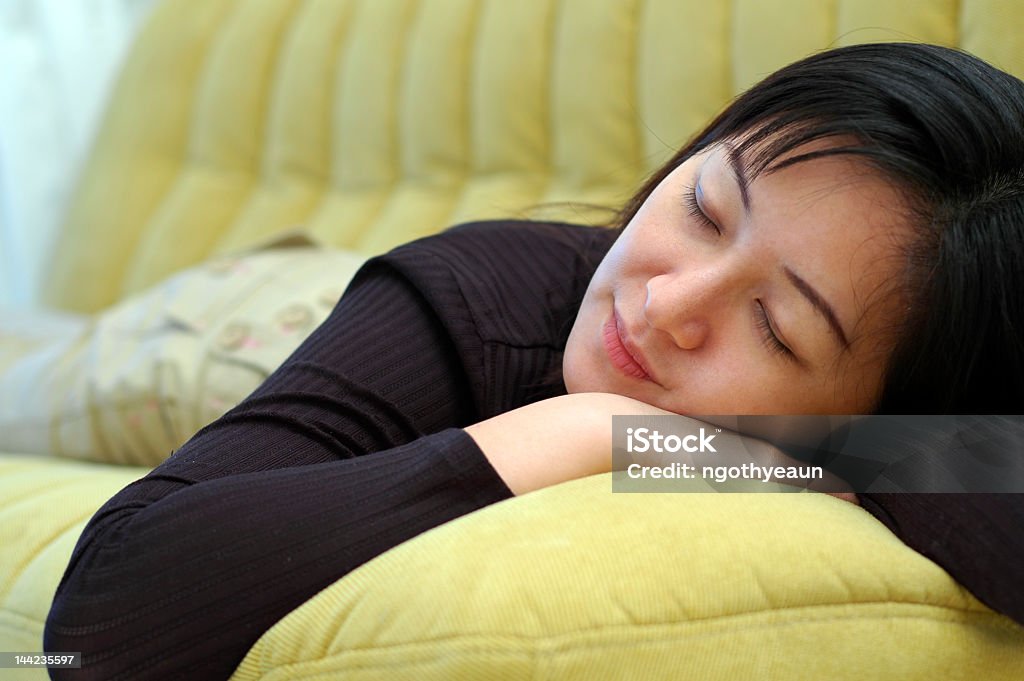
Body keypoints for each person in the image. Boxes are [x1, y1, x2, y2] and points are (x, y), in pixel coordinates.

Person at [44, 42, 1024, 680]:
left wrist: (848, 454)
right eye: (702, 209)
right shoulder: (480, 298)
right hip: (204, 333)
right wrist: (584, 432)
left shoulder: (892, 424)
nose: (663, 302)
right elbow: (99, 625)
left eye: (773, 326)